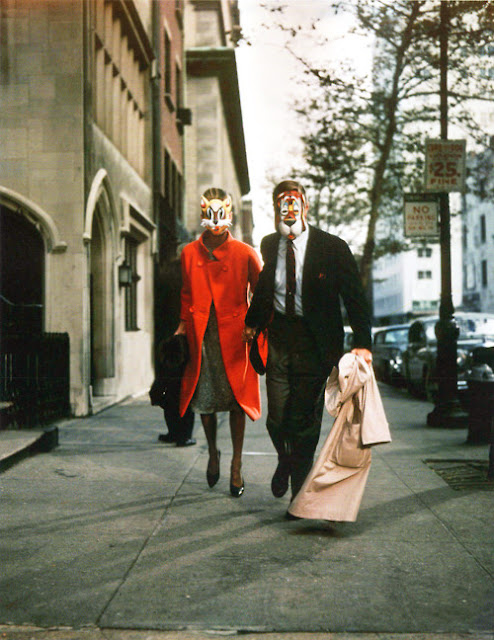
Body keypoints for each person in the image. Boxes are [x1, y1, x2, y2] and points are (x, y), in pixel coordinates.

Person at [243, 179, 372, 513]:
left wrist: (363, 343)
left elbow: (354, 297)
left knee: (304, 420)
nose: (288, 210)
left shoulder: (332, 247)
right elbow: (266, 286)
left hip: (316, 344)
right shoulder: (270, 244)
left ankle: (298, 494)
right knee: (276, 418)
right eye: (281, 205)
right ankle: (285, 460)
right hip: (280, 338)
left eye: (294, 203)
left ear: (305, 206)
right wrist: (252, 322)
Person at [175, 187, 264, 497]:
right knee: (204, 400)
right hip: (202, 335)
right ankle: (213, 452)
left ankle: (236, 465)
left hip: (236, 336)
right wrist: (182, 326)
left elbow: (261, 294)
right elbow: (186, 294)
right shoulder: (189, 253)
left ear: (229, 214)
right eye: (210, 213)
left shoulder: (245, 252)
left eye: (221, 213)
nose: (215, 220)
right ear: (203, 213)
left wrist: (254, 325)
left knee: (237, 402)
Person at [150, 246, 196, 447]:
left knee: (167, 386)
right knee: (184, 388)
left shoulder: (164, 272)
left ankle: (172, 431)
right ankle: (184, 435)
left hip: (164, 338)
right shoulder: (191, 275)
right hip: (184, 338)